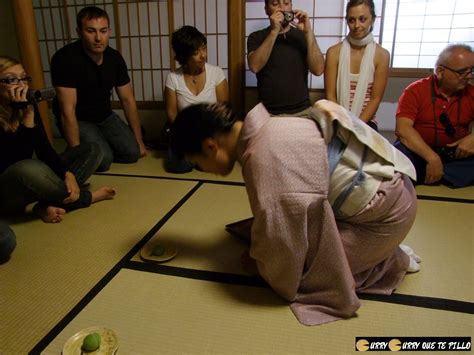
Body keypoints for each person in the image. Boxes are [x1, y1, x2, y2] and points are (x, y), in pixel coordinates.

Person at [170, 100, 421, 326]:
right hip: (393, 186)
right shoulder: (270, 126)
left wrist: (263, 265)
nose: (203, 170)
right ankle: (379, 250)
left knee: (311, 276)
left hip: (383, 216)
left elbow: (284, 243)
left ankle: (389, 260)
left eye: (197, 163)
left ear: (210, 146)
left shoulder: (262, 157)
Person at [0, 56, 115, 224]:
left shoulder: (26, 105)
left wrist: (67, 174)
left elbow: (44, 149)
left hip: (34, 179)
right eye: (11, 79)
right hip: (9, 191)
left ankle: (45, 205)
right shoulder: (25, 109)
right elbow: (16, 159)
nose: (21, 85)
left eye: (24, 78)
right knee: (28, 167)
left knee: (92, 149)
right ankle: (85, 198)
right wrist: (28, 117)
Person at [51, 6, 146, 172]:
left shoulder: (114, 58)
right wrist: (78, 153)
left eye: (103, 31)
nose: (98, 38)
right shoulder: (65, 59)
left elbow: (127, 100)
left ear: (109, 31)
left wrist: (139, 141)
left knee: (132, 153)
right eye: (91, 31)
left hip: (104, 115)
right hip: (79, 118)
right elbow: (67, 110)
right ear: (79, 32)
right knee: (104, 162)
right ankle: (81, 148)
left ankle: (101, 144)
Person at [395, 44, 474, 188]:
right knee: (395, 160)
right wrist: (433, 158)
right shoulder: (415, 90)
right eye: (463, 72)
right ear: (440, 71)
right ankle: (443, 174)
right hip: (419, 151)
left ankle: (431, 174)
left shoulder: (471, 92)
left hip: (456, 155)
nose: (468, 77)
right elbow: (403, 129)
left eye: (471, 71)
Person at [164, 25, 229, 173]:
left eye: (204, 48)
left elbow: (223, 109)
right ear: (184, 56)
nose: (203, 55)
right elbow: (172, 114)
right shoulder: (173, 78)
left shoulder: (216, 73)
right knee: (178, 166)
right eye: (196, 52)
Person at [247, 0, 324, 117]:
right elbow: (254, 66)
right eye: (275, 4)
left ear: (292, 7)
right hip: (267, 113)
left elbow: (318, 70)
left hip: (302, 111)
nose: (282, 9)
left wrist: (308, 32)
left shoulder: (302, 35)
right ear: (266, 10)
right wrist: (274, 31)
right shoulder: (256, 37)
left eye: (286, 3)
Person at [325, 0, 389, 131]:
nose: (356, 25)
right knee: (331, 151)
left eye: (362, 19)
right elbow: (330, 96)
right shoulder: (333, 53)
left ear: (373, 19)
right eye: (351, 20)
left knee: (363, 151)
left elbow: (375, 99)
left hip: (366, 121)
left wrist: (356, 127)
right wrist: (343, 124)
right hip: (338, 118)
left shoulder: (382, 55)